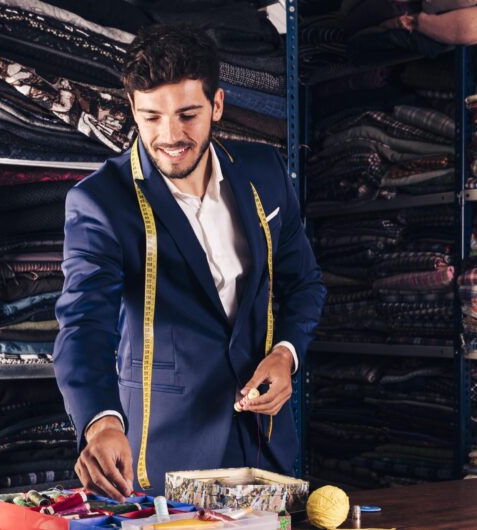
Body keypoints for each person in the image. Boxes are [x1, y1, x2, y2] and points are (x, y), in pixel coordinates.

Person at [53, 24, 325, 500]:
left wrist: (285, 354)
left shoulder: (265, 172)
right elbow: (83, 324)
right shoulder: (100, 201)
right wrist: (99, 422)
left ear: (217, 104)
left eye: (188, 114)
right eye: (151, 117)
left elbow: (305, 283)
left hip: (265, 446)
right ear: (133, 109)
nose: (170, 136)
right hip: (163, 454)